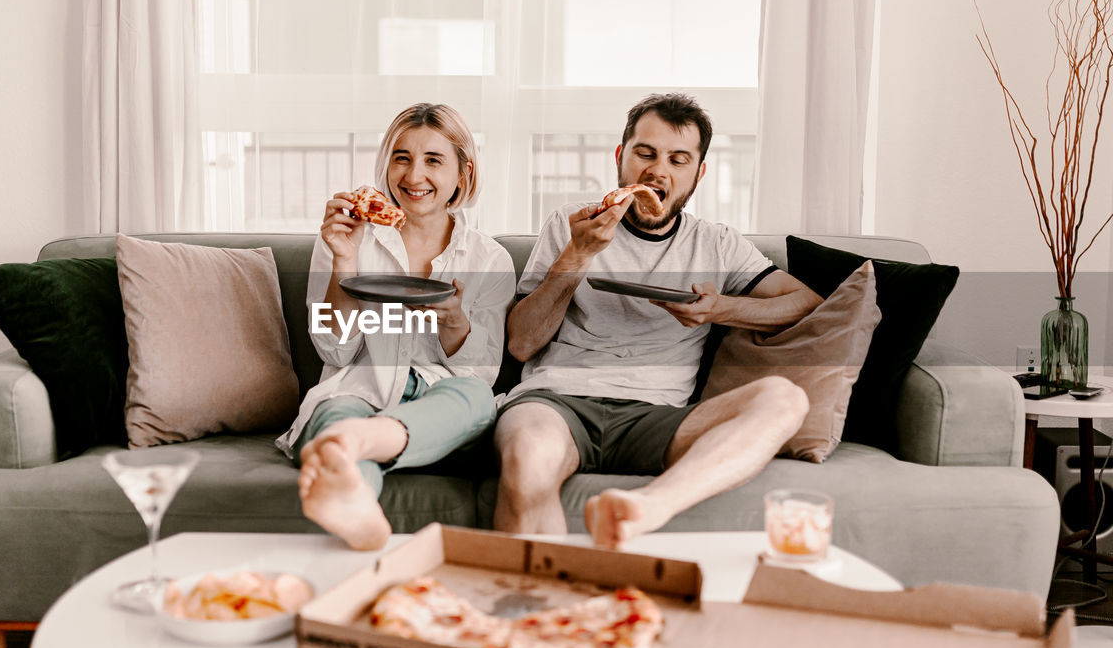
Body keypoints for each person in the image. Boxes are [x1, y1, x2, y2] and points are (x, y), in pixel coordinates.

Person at [494, 92, 822, 550]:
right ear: (621, 157)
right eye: (644, 153)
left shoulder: (718, 244)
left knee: (784, 399)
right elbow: (521, 345)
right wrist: (579, 254)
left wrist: (721, 308)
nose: (657, 171)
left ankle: (646, 508)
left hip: (660, 417)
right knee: (528, 458)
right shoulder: (569, 226)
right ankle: (533, 609)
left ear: (698, 173)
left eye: (678, 159)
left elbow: (806, 303)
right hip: (557, 402)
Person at [277, 103, 516, 551]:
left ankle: (358, 441)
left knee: (476, 398)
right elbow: (334, 350)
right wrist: (345, 261)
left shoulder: (489, 259)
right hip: (358, 390)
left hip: (441, 402)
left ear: (463, 173)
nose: (413, 176)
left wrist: (453, 322)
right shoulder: (348, 238)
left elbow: (480, 373)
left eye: (433, 160)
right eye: (401, 158)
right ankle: (358, 517)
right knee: (336, 424)